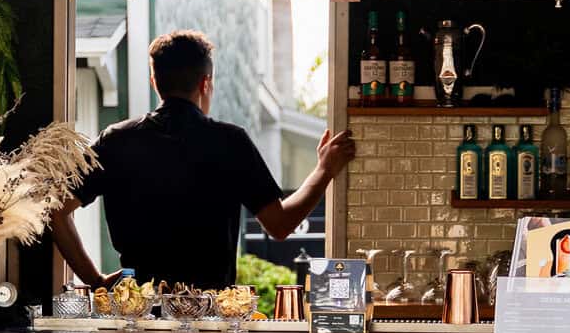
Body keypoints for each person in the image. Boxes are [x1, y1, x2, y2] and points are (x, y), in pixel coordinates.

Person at [49, 29, 354, 290]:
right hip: (212, 315)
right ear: (205, 82)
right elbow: (280, 224)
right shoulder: (230, 141)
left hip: (140, 313)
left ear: (155, 82)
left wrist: (95, 281)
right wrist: (324, 169)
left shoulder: (115, 139)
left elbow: (56, 210)